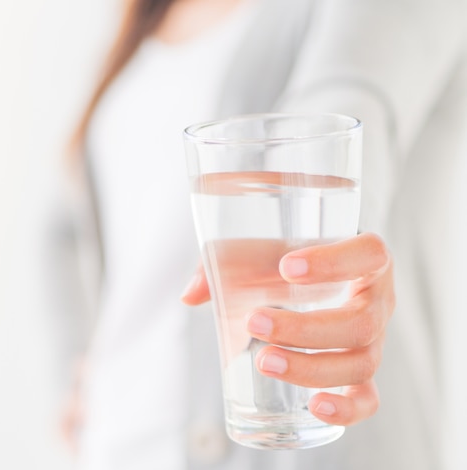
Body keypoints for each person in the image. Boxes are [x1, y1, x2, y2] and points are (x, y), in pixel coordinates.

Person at [51, 0, 467, 469]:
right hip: (118, 449)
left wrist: (339, 247)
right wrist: (82, 359)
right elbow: (65, 228)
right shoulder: (145, 19)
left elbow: (346, 101)